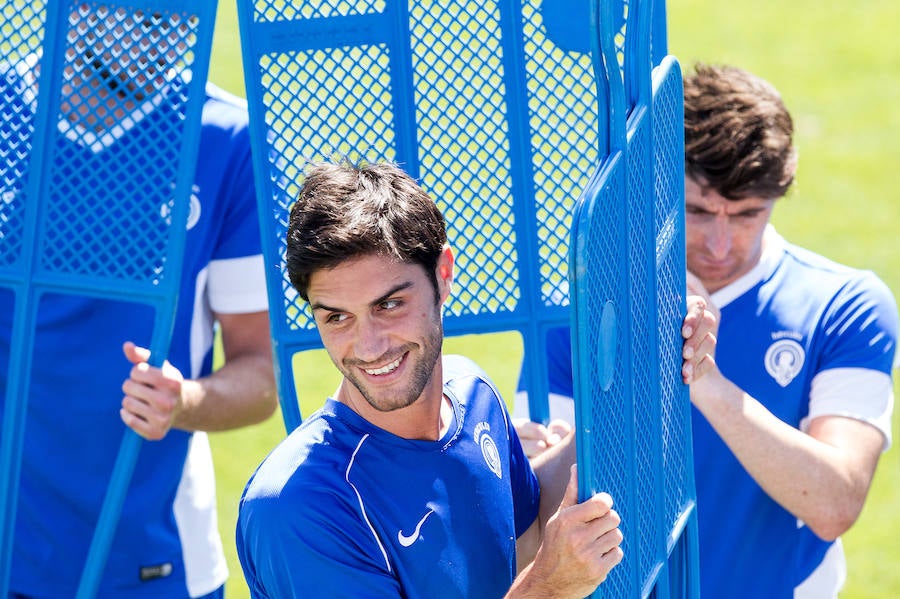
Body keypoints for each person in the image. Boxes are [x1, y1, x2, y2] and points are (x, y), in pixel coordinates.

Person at [236, 160, 708, 598]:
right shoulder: (297, 507)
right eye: (337, 317)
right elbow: (541, 570)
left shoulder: (471, 391)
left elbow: (526, 530)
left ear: (443, 275)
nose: (369, 346)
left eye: (389, 305)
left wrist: (659, 355)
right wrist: (548, 587)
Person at [513, 63, 899, 597]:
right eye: (697, 211)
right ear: (659, 190)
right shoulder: (584, 308)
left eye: (745, 215)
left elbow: (834, 503)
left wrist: (707, 381)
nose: (720, 245)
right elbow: (534, 530)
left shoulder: (848, 305)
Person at [0, 7, 277, 597]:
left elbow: (262, 374)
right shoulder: (8, 113)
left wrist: (185, 400)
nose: (162, 22)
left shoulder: (226, 137)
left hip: (158, 560)